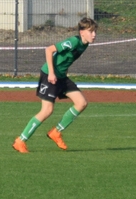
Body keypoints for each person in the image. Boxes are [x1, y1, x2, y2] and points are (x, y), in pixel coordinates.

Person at [12, 17, 98, 153]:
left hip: (61, 77)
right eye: (91, 31)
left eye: (95, 32)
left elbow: (64, 59)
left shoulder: (85, 44)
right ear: (82, 32)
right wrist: (51, 73)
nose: (94, 35)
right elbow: (49, 50)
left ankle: (56, 132)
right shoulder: (73, 41)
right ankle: (20, 141)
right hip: (50, 75)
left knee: (81, 103)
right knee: (47, 110)